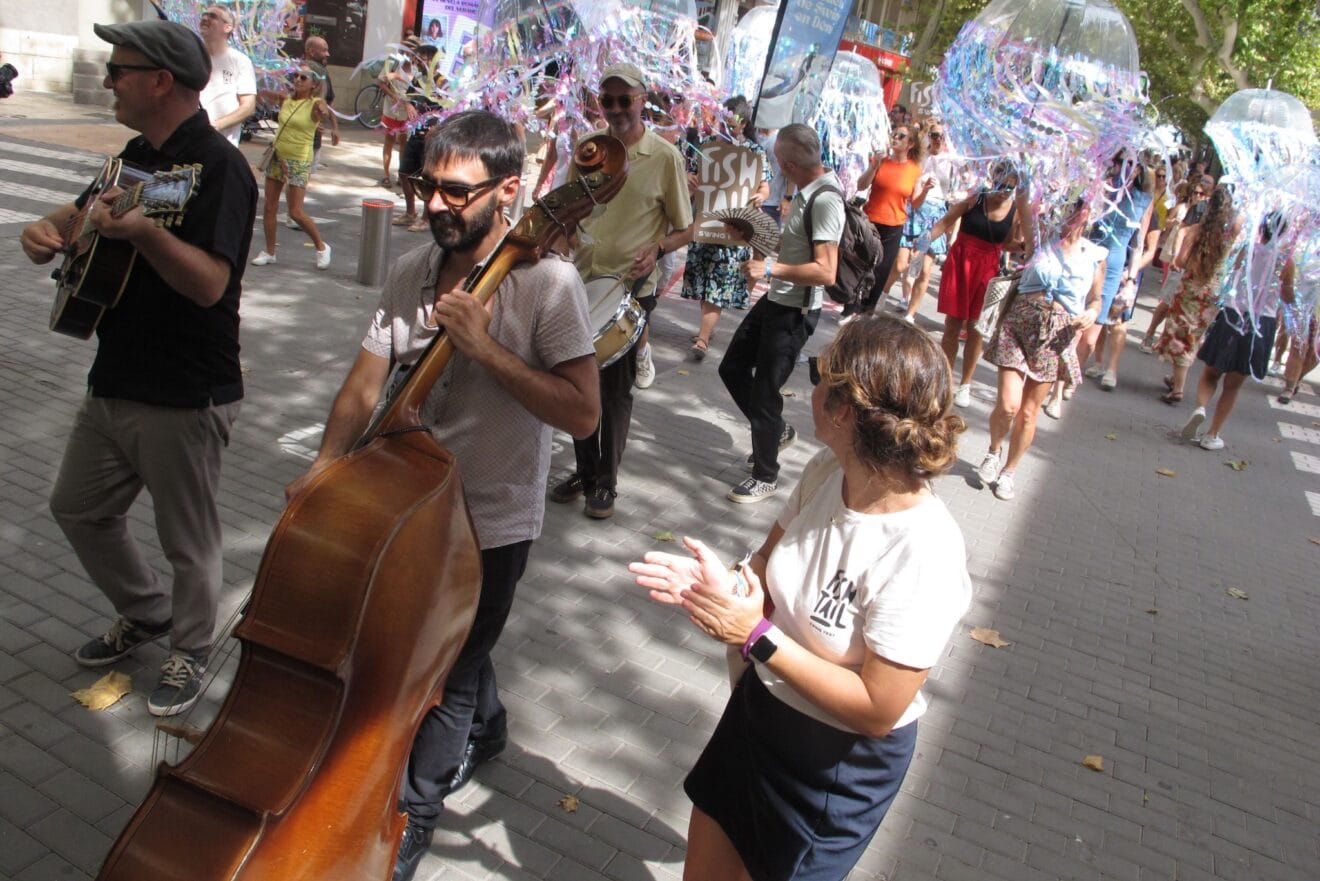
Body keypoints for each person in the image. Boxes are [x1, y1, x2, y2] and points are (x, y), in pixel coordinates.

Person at [283, 110, 600, 881]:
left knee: (446, 673)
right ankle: (488, 727)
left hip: (488, 518)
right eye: (428, 186)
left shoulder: (550, 284)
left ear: (510, 191)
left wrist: (484, 348)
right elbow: (364, 383)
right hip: (399, 504)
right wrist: (324, 469)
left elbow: (583, 412)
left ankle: (413, 813)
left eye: (457, 193)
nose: (435, 205)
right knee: (445, 645)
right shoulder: (413, 269)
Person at [629, 315, 971, 881]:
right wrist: (731, 586)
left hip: (833, 769)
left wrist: (754, 636)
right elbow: (765, 565)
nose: (805, 388)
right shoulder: (825, 470)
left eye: (818, 374)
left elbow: (878, 709)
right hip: (758, 716)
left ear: (843, 410)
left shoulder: (925, 551)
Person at [19, 19, 257, 716]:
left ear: (161, 81)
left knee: (189, 540)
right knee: (77, 507)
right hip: (115, 373)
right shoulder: (132, 154)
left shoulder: (220, 169)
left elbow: (212, 283)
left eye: (118, 69)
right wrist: (49, 229)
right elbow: (82, 213)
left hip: (186, 388)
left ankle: (189, 648)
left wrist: (147, 233)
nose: (107, 80)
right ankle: (146, 612)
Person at [548, 63, 693, 519]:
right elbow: (569, 205)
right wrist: (563, 235)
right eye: (607, 101)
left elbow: (687, 229)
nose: (615, 110)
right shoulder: (590, 148)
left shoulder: (665, 156)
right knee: (574, 380)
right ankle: (585, 469)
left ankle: (605, 482)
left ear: (641, 100)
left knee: (612, 389)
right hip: (582, 279)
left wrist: (658, 247)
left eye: (623, 100)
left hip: (632, 287)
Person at [719, 123, 843, 503]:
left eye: (777, 162)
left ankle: (766, 474)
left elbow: (826, 271)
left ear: (787, 164)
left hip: (795, 311)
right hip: (778, 299)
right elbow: (792, 247)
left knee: (765, 391)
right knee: (732, 368)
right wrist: (752, 236)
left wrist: (769, 270)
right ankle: (778, 432)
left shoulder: (825, 199)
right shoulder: (805, 192)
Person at [979, 200, 1106, 501]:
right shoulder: (1041, 235)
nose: (1076, 211)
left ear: (1092, 212)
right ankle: (993, 451)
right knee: (1009, 404)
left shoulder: (1095, 255)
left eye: (1084, 205)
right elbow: (1024, 199)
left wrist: (1090, 312)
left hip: (1057, 334)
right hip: (1020, 322)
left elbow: (1096, 299)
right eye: (1072, 203)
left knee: (1028, 412)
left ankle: (1009, 472)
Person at [1181, 218, 1295, 450]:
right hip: (1261, 323)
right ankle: (1212, 434)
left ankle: (1200, 407)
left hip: (1232, 315)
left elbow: (1230, 276)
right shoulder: (1286, 262)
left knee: (1211, 373)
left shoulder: (1247, 249)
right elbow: (1288, 298)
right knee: (1233, 384)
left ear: (1262, 227)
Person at [680, 96, 771, 360]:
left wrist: (761, 196)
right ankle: (706, 327)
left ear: (743, 124)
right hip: (706, 224)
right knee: (705, 282)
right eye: (724, 123)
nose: (728, 129)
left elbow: (764, 185)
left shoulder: (755, 152)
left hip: (734, 232)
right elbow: (690, 174)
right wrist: (691, 180)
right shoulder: (706, 146)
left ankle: (703, 338)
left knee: (718, 285)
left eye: (733, 125)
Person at [929, 160, 1023, 408]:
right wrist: (921, 245)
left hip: (987, 270)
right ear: (993, 179)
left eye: (1010, 188)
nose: (1004, 191)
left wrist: (1025, 246)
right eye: (1001, 184)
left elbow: (1008, 243)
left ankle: (966, 384)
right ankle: (945, 379)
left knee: (976, 329)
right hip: (961, 262)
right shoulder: (975, 198)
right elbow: (945, 221)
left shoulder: (1015, 211)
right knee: (952, 324)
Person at [1152, 185, 1238, 402]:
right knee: (1194, 338)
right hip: (1213, 294)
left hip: (1190, 291)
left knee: (1181, 338)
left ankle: (1178, 389)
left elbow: (1180, 261)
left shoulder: (1196, 231)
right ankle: (1175, 379)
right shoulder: (1230, 234)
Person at [249, 61, 334, 269]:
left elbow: (326, 111)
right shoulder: (286, 100)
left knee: (295, 212)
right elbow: (262, 93)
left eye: (304, 77)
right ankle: (269, 252)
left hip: (299, 161)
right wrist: (260, 74)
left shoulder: (314, 104)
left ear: (313, 84)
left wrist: (325, 115)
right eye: (296, 76)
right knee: (269, 207)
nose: (298, 79)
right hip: (278, 157)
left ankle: (322, 247)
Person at [848, 122, 930, 317]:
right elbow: (860, 186)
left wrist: (925, 191)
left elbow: (915, 203)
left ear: (910, 144)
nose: (895, 138)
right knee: (861, 263)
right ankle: (850, 307)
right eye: (894, 134)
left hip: (894, 225)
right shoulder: (881, 161)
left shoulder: (914, 170)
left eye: (901, 136)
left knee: (882, 270)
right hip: (870, 221)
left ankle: (867, 311)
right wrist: (873, 167)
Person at [1142, 174, 1215, 352]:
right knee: (1167, 301)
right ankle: (1150, 334)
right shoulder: (1200, 208)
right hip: (1184, 263)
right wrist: (1177, 255)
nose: (1199, 192)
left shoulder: (1220, 219)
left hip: (1199, 269)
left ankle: (1164, 341)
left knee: (1184, 309)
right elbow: (1182, 231)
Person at [395, 43, 444, 233]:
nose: (418, 61)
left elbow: (450, 108)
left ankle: (426, 217)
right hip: (415, 133)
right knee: (404, 172)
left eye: (423, 57)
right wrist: (408, 106)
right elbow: (409, 98)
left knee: (426, 176)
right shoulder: (417, 80)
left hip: (430, 136)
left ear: (433, 61)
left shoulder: (442, 82)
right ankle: (410, 212)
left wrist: (436, 125)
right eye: (418, 57)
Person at [197, 5, 255, 147]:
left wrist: (216, 126)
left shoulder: (240, 61)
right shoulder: (191, 55)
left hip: (220, 145)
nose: (205, 18)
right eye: (204, 14)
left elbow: (248, 106)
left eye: (213, 16)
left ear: (227, 27)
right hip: (188, 141)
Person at [378, 40, 419, 187]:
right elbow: (381, 82)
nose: (409, 54)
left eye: (412, 51)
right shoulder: (393, 63)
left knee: (403, 144)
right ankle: (386, 174)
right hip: (391, 110)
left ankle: (401, 175)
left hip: (408, 113)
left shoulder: (417, 70)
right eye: (407, 50)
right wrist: (394, 97)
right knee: (389, 142)